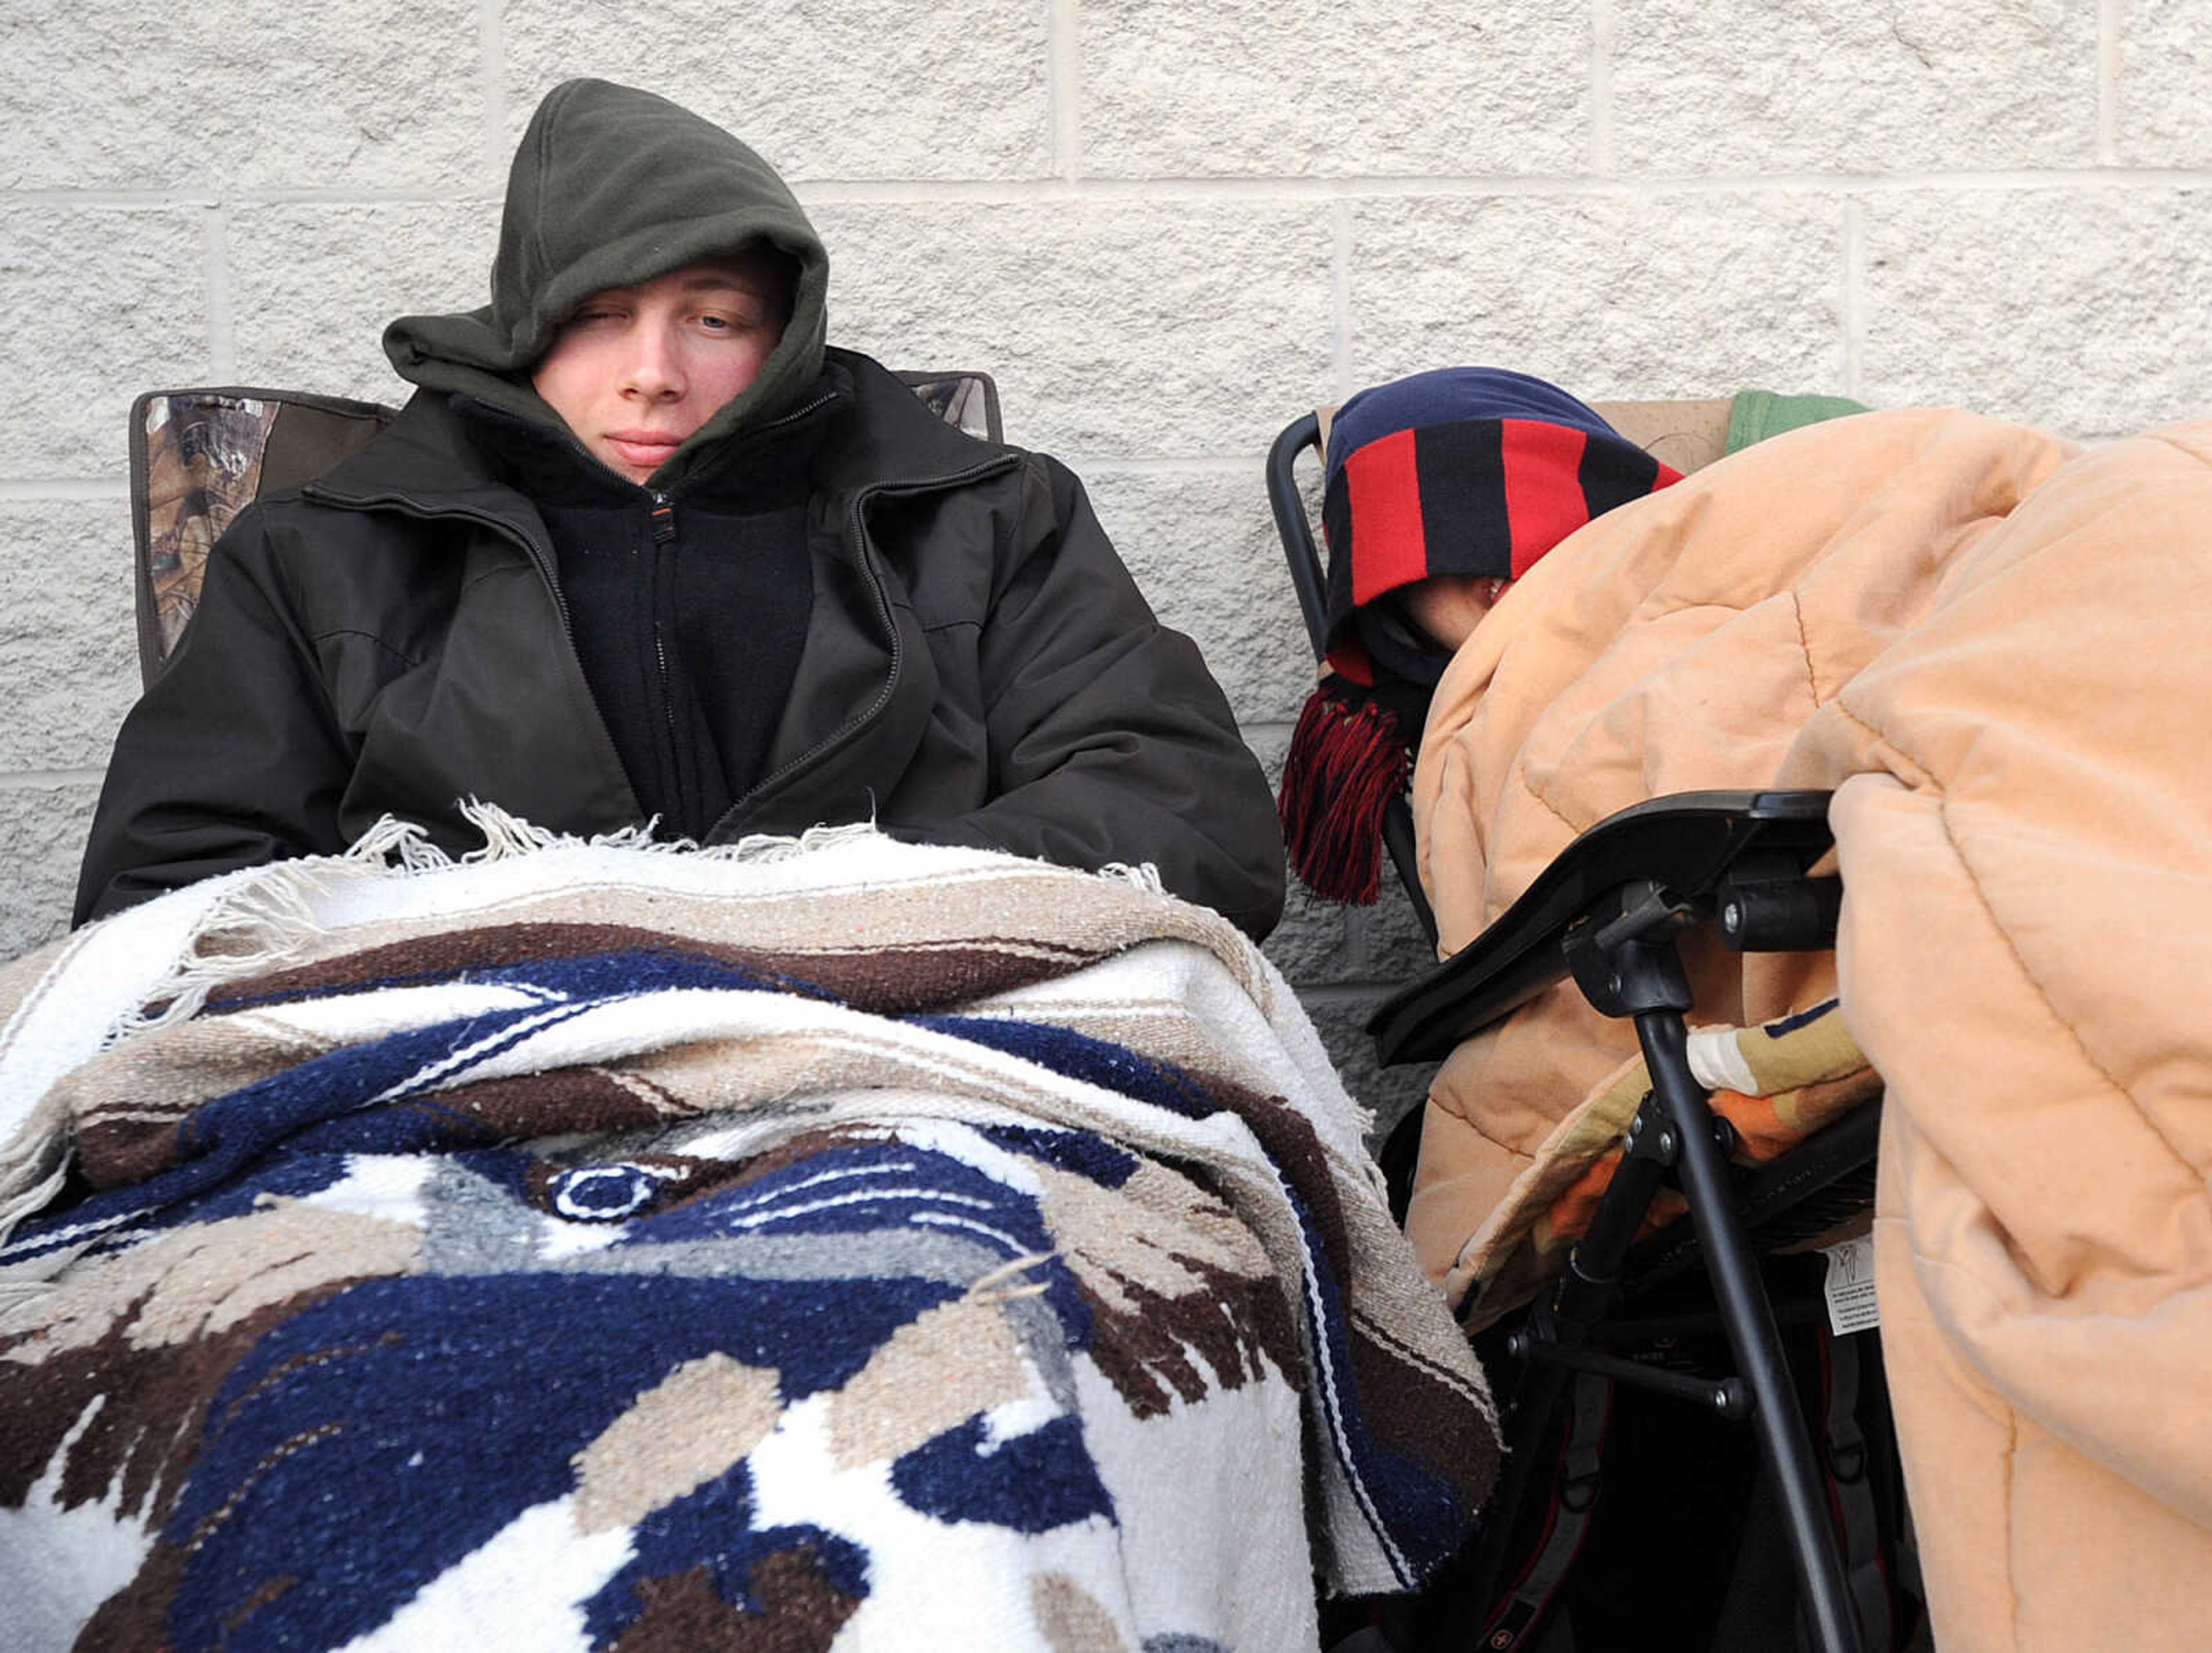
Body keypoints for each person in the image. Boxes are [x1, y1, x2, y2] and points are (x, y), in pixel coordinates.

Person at [74, 78, 1285, 940]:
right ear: (521, 329)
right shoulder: (327, 551)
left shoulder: (980, 521)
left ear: (785, 332)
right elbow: (168, 890)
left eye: (714, 318)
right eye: (599, 314)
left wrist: (816, 909)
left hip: (915, 1075)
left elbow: (1190, 814)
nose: (653, 370)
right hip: (454, 1101)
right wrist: (546, 946)